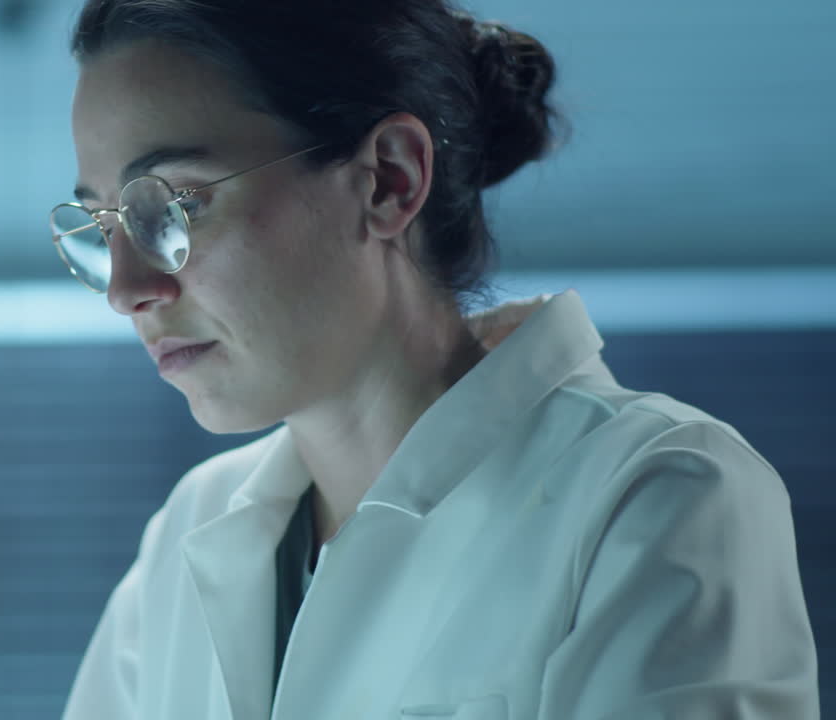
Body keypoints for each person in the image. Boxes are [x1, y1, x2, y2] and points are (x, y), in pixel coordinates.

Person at [47, 1, 820, 718]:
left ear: (389, 179)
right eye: (104, 222)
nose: (127, 288)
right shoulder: (192, 529)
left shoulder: (654, 494)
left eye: (175, 204)